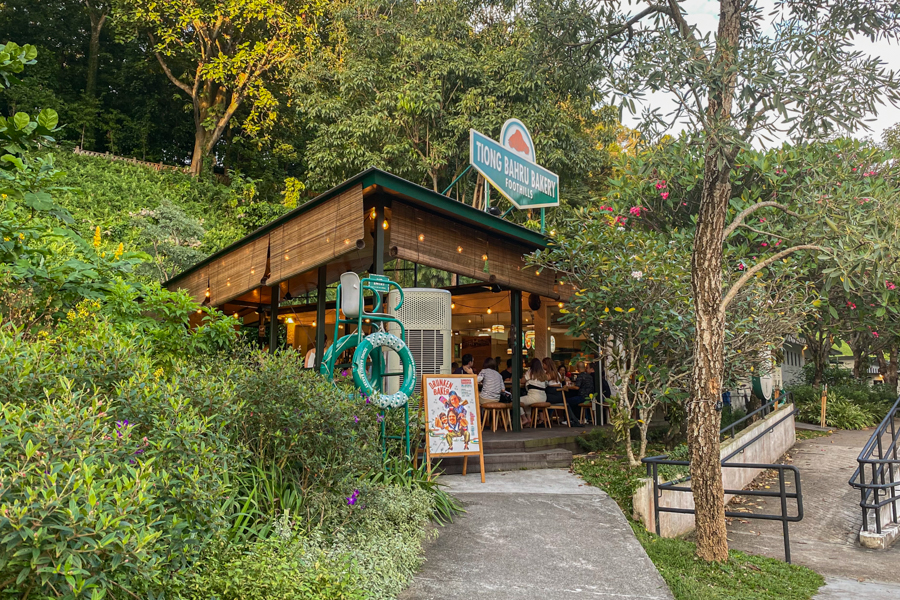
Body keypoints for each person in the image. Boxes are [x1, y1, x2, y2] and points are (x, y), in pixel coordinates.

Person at [521, 357, 548, 426]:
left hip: (534, 397)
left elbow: (522, 381)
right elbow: (546, 384)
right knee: (526, 401)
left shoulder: (530, 372)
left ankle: (524, 418)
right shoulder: (544, 373)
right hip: (543, 398)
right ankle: (529, 419)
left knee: (516, 401)